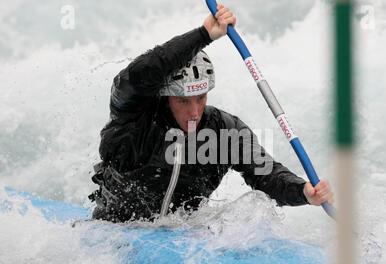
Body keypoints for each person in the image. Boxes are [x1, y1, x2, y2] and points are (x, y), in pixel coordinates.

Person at [89, 4, 334, 223]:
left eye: (201, 98)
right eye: (182, 101)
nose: (194, 112)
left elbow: (266, 174)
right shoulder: (134, 118)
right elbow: (142, 72)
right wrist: (204, 34)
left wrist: (303, 192)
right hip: (114, 232)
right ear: (165, 96)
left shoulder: (224, 130)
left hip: (180, 235)